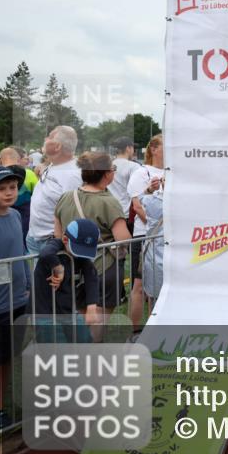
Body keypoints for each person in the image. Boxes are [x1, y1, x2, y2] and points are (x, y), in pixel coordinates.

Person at [0, 166, 30, 434]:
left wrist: (27, 285)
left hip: (16, 301)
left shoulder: (14, 215)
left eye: (12, 187)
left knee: (6, 359)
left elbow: (21, 250)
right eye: (0, 188)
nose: (8, 193)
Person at [55, 151, 131, 314]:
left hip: (74, 268)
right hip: (103, 267)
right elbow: (122, 239)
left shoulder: (65, 197)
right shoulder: (109, 202)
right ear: (106, 174)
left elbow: (58, 235)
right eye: (113, 168)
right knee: (98, 321)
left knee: (82, 317)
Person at [32, 218, 103, 339]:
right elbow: (45, 252)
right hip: (45, 313)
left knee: (84, 341)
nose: (82, 255)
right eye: (79, 249)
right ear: (65, 239)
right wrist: (58, 267)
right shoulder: (55, 246)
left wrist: (92, 306)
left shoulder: (81, 257)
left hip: (68, 311)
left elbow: (91, 275)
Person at [27, 126, 83, 255]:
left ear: (57, 146)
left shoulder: (73, 174)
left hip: (52, 241)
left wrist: (58, 240)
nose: (45, 139)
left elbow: (73, 212)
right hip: (36, 236)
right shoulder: (54, 165)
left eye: (50, 136)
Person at [127, 135, 164, 328]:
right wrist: (155, 228)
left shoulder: (172, 172)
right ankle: (135, 329)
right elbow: (138, 206)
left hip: (165, 239)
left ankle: (154, 329)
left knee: (159, 288)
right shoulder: (142, 173)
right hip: (145, 238)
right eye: (166, 146)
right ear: (154, 149)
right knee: (140, 286)